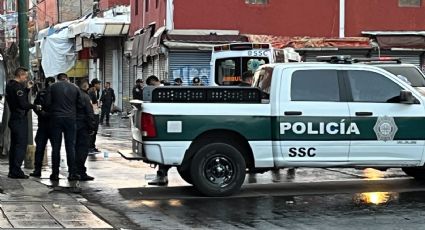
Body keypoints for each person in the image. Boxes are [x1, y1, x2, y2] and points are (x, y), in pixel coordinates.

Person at [5, 67, 41, 179]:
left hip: (14, 118)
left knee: (15, 146)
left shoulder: (10, 85)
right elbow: (22, 104)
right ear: (20, 75)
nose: (26, 78)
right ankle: (16, 171)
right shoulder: (17, 87)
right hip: (19, 118)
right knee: (20, 146)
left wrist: (27, 89)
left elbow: (18, 99)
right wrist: (35, 106)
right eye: (25, 76)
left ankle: (13, 170)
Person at [45, 73, 82, 181]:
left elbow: (47, 104)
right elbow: (80, 104)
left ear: (58, 79)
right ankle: (72, 173)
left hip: (56, 119)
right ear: (67, 78)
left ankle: (55, 174)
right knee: (70, 146)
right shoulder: (75, 88)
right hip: (70, 119)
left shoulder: (52, 87)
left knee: (55, 147)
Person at [145, 75, 169, 186]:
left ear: (156, 81)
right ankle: (162, 175)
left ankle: (162, 176)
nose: (151, 87)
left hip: (164, 123)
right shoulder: (161, 90)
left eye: (151, 84)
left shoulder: (162, 91)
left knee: (162, 151)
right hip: (163, 122)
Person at [30, 77, 56, 177]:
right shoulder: (44, 93)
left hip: (47, 123)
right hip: (49, 124)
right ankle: (51, 171)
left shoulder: (43, 93)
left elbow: (36, 106)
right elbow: (36, 106)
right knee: (45, 148)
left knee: (42, 148)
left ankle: (39, 170)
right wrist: (43, 114)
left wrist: (42, 114)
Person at [75, 79, 96, 181]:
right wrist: (92, 126)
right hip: (83, 126)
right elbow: (89, 113)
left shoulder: (74, 95)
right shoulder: (85, 96)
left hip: (73, 126)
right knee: (82, 150)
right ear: (86, 86)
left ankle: (73, 171)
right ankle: (81, 172)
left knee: (74, 149)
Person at [88, 78, 101, 153]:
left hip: (96, 112)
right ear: (95, 84)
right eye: (98, 84)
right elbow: (90, 103)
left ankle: (92, 146)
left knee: (95, 131)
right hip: (93, 114)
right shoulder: (91, 92)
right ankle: (89, 147)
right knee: (92, 130)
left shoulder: (97, 92)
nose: (99, 85)